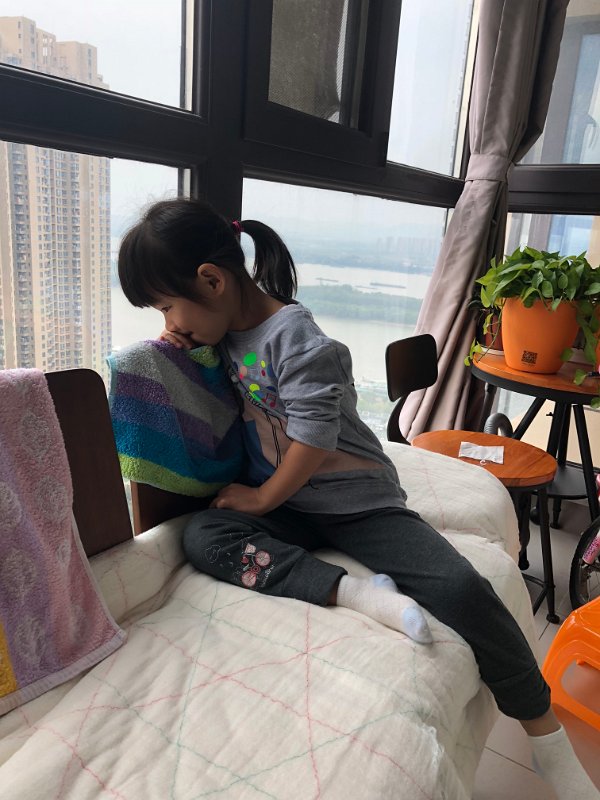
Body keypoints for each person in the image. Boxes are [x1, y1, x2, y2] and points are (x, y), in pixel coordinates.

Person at [118, 197, 599, 800]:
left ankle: (545, 735)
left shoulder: (296, 339)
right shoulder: (221, 335)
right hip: (294, 508)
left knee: (460, 588)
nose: (168, 324)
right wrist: (177, 345)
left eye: (167, 306)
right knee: (203, 535)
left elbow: (314, 438)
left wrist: (263, 499)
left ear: (212, 281)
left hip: (356, 504)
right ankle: (355, 593)